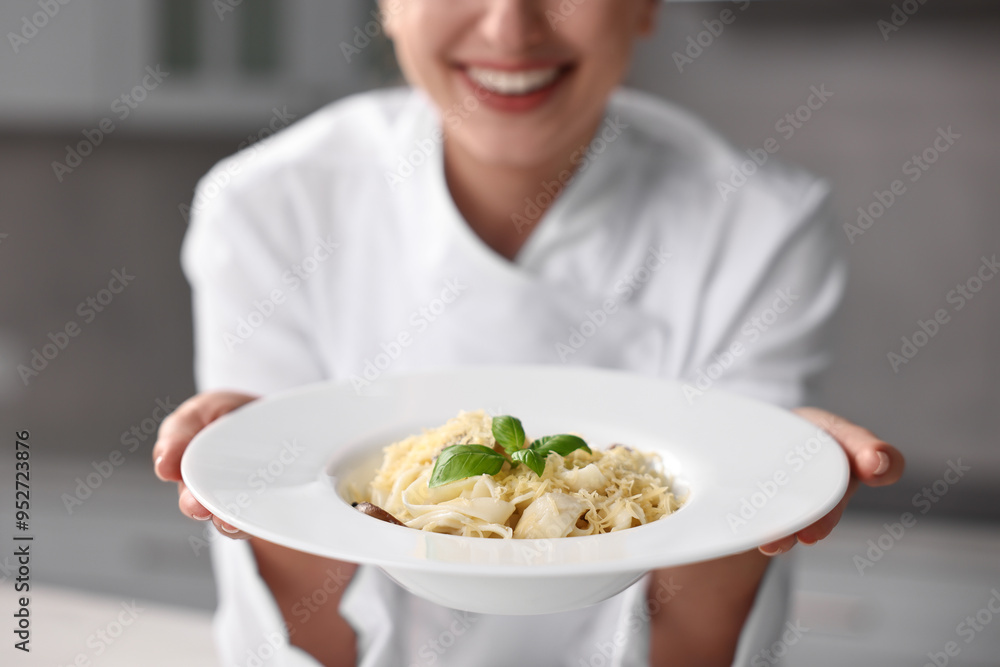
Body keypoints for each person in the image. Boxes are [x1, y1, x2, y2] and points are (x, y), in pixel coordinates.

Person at [153, 1, 904, 665]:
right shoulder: (269, 207)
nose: (509, 25)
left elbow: (696, 629)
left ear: (645, 7)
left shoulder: (760, 223)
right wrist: (254, 467)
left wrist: (773, 471)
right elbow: (306, 613)